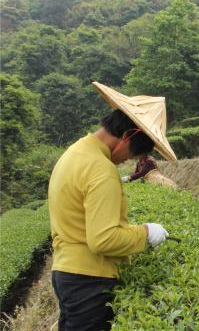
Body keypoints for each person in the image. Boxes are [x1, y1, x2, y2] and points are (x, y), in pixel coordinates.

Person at [48, 81, 178, 330]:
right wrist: (145, 232)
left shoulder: (76, 152)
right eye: (131, 155)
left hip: (67, 272)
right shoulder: (101, 170)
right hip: (89, 280)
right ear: (129, 136)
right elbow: (103, 239)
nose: (125, 161)